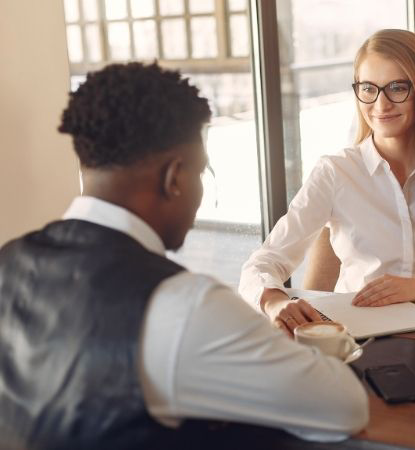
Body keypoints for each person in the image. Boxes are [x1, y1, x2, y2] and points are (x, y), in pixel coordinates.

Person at [0, 63, 368, 450]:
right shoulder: (186, 305)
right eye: (201, 172)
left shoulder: (8, 262)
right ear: (173, 177)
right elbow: (345, 406)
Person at [239, 29, 415, 337]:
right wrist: (276, 301)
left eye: (397, 87)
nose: (380, 104)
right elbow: (262, 264)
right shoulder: (336, 172)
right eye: (368, 89)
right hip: (357, 339)